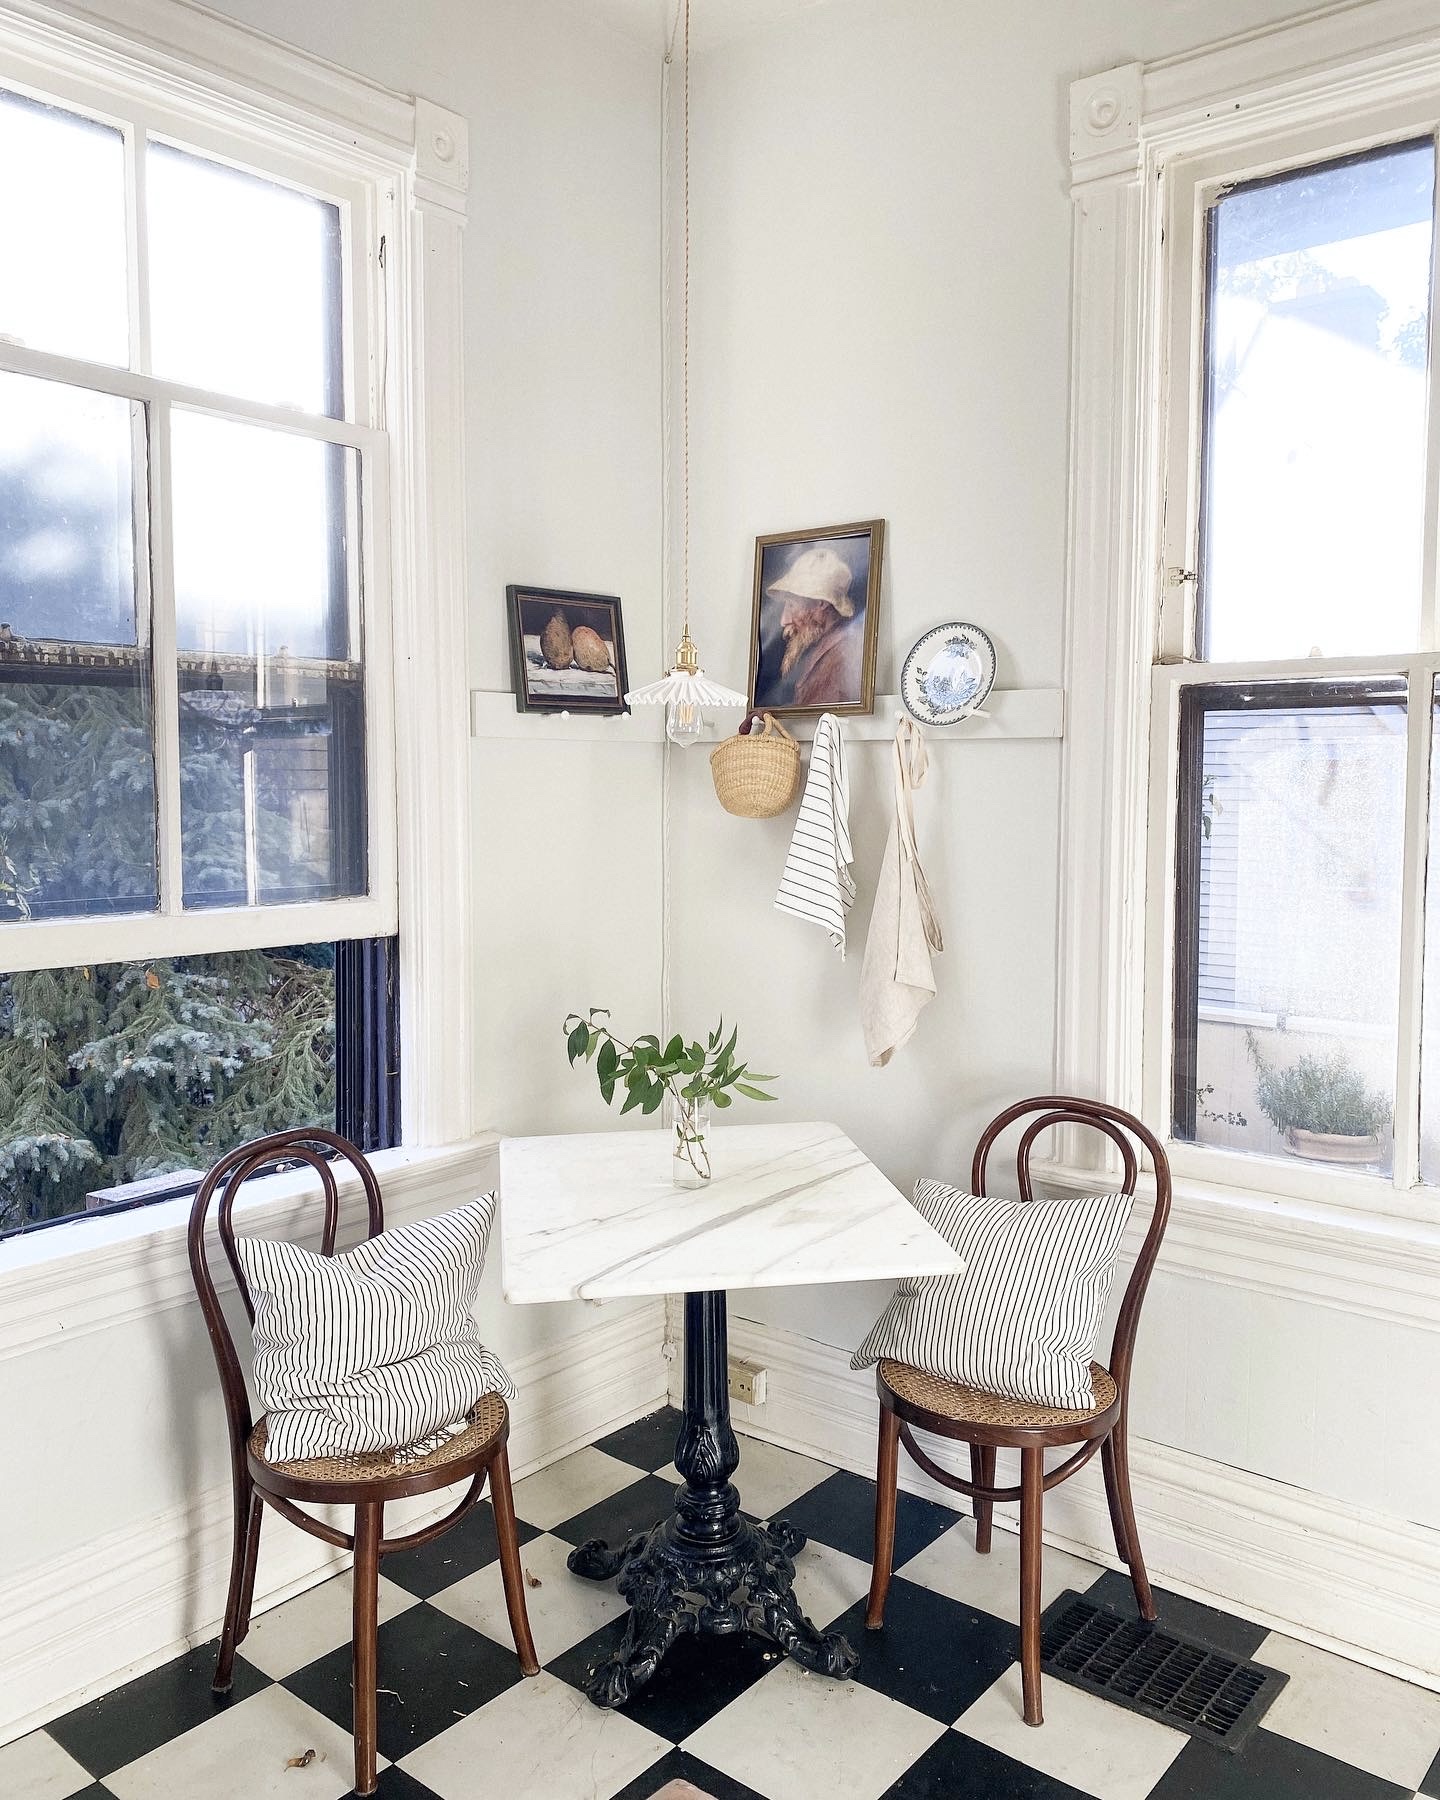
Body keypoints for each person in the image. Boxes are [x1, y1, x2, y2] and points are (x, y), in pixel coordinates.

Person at [764, 545, 866, 708]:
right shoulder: (826, 645)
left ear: (821, 603)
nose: (784, 620)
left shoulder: (842, 654)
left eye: (791, 605)